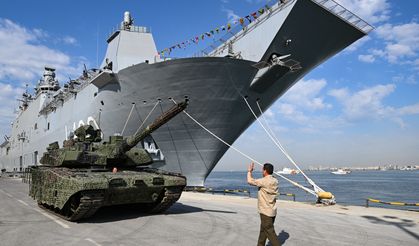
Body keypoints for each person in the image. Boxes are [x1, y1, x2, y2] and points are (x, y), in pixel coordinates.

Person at [247, 162, 280, 246]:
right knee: (263, 231)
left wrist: (249, 171)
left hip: (265, 211)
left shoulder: (264, 181)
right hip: (272, 211)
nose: (262, 171)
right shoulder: (275, 180)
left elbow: (250, 181)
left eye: (262, 170)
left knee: (270, 232)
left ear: (265, 171)